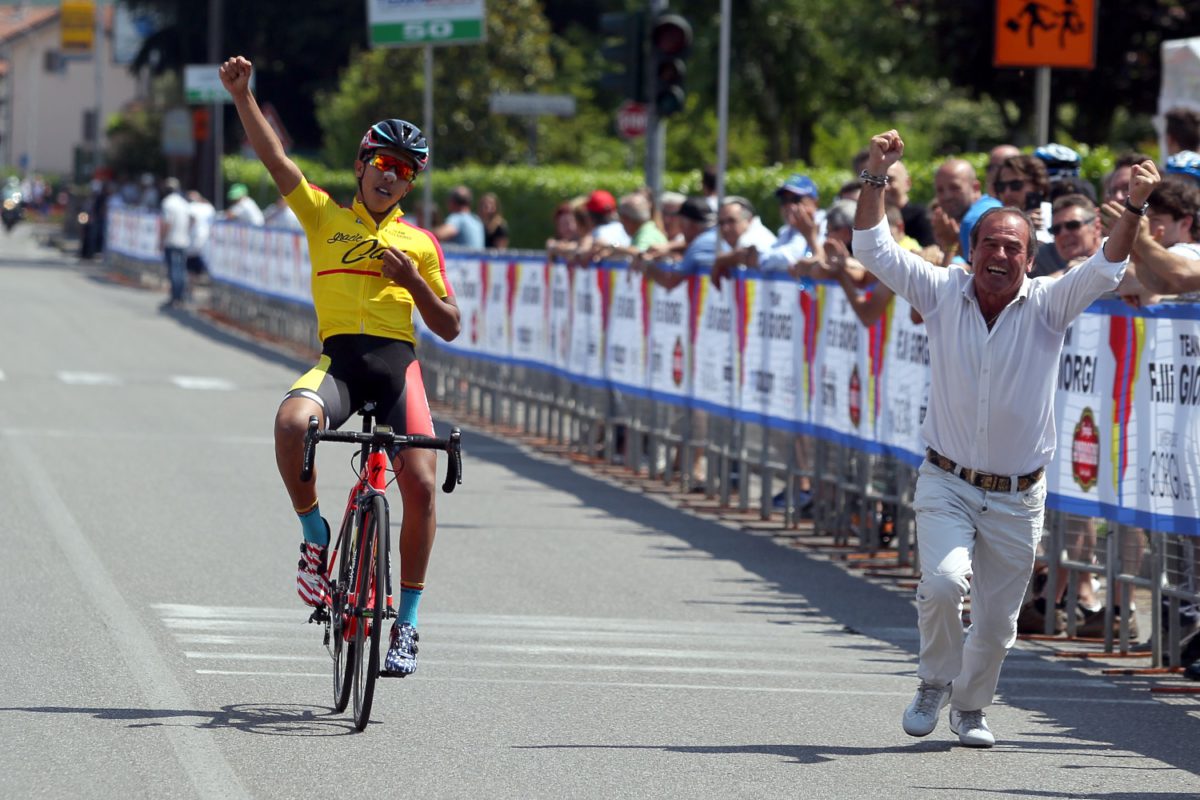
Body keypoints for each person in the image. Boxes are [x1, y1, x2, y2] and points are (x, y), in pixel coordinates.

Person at [853, 128, 1157, 748]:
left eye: (1013, 247)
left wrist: (1135, 207)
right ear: (971, 250)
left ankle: (971, 708)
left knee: (995, 624)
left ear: (1029, 255)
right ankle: (934, 682)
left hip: (1019, 495)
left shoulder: (1050, 302)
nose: (1000, 255)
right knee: (941, 583)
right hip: (946, 479)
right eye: (989, 243)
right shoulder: (941, 291)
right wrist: (877, 174)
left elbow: (1108, 265)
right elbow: (872, 245)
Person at [219, 55, 461, 677]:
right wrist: (245, 96)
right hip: (340, 364)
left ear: (411, 185)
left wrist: (415, 282)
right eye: (383, 163)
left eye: (404, 172)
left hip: (396, 368)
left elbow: (450, 325)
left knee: (423, 487)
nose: (391, 176)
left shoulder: (420, 243)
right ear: (361, 164)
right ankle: (316, 534)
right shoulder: (324, 215)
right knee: (290, 423)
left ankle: (406, 623)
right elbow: (277, 162)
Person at [931, 157, 1002, 264]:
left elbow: (970, 278)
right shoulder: (993, 204)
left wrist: (950, 246)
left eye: (955, 188)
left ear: (975, 187)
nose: (947, 196)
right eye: (940, 190)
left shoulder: (972, 221)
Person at [710, 196, 777, 287]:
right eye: (721, 223)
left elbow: (747, 253)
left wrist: (721, 261)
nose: (725, 228)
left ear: (748, 219)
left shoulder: (752, 237)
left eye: (731, 221)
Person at [1031, 194, 1101, 278]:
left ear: (1096, 227)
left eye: (1073, 225)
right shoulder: (1043, 269)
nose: (1063, 234)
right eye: (1056, 229)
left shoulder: (1117, 263)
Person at [994, 154, 1052, 242]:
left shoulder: (1056, 215)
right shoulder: (992, 223)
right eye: (1001, 186)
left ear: (1036, 184)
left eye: (1016, 185)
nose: (1007, 192)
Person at [885, 160, 935, 247]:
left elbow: (931, 252)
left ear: (907, 183)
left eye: (890, 180)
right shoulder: (872, 218)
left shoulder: (921, 216)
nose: (885, 186)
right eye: (880, 180)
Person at [159, 177, 191, 308]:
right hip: (183, 240)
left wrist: (162, 239)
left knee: (174, 270)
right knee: (181, 270)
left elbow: (167, 223)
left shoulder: (167, 203)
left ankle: (175, 297)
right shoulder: (183, 202)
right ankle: (180, 297)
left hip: (172, 241)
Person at [185, 189, 216, 280]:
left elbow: (192, 220)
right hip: (207, 238)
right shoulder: (208, 207)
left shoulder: (191, 207)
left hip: (194, 238)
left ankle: (192, 284)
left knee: (192, 264)